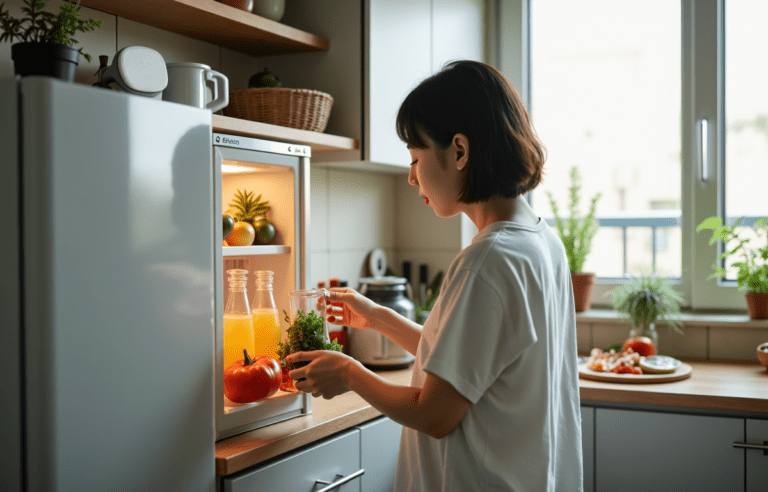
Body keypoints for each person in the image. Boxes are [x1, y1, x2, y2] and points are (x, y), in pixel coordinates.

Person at [285, 60, 583, 491]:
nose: (411, 176)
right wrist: (378, 318)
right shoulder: (540, 241)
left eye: (415, 157)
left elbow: (435, 414)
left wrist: (349, 373)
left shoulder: (487, 261)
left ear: (459, 151)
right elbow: (464, 365)